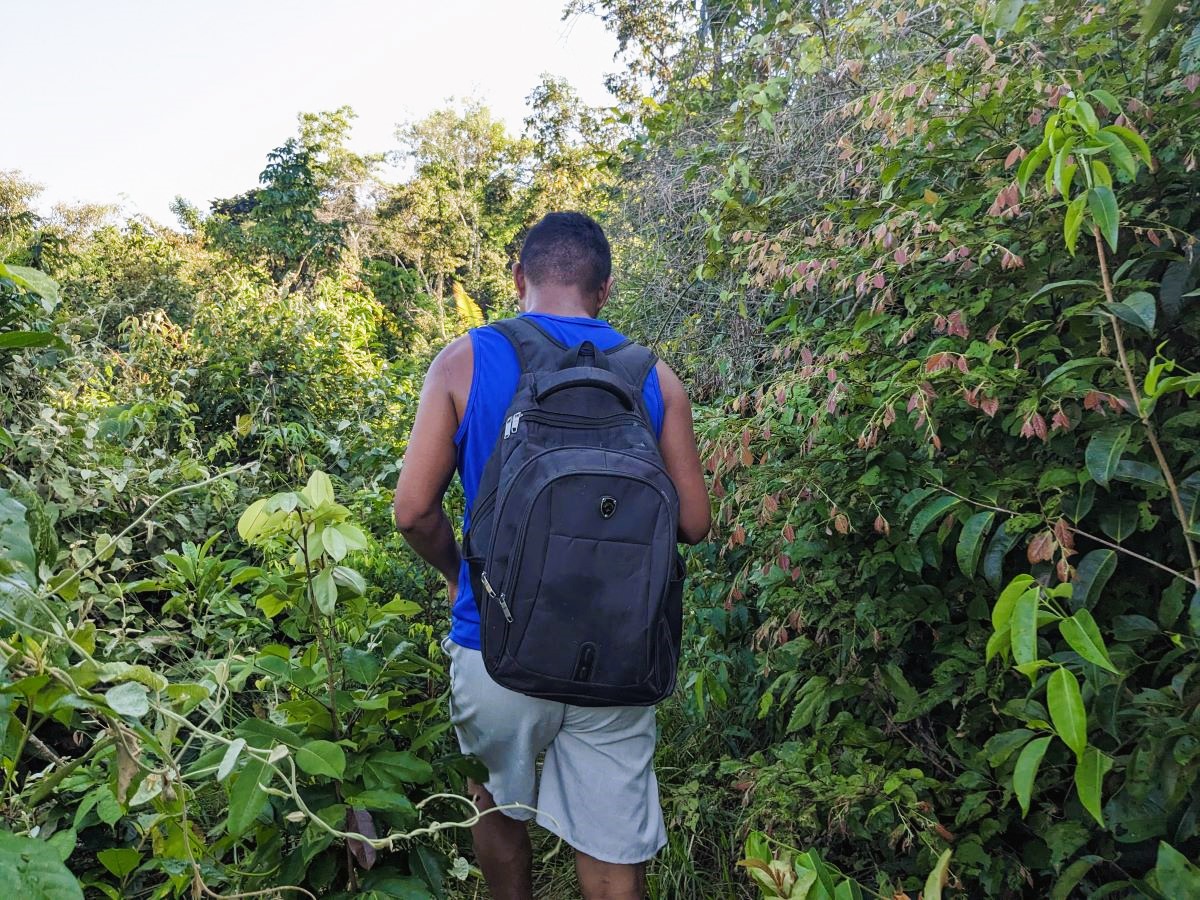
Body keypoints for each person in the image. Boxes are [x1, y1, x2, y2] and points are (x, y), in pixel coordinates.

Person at [393, 211, 710, 900]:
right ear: (605, 289)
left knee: (497, 805)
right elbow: (693, 523)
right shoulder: (655, 377)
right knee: (610, 845)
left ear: (518, 279)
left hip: (497, 641)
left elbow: (413, 510)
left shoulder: (464, 360)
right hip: (621, 648)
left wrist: (458, 576)